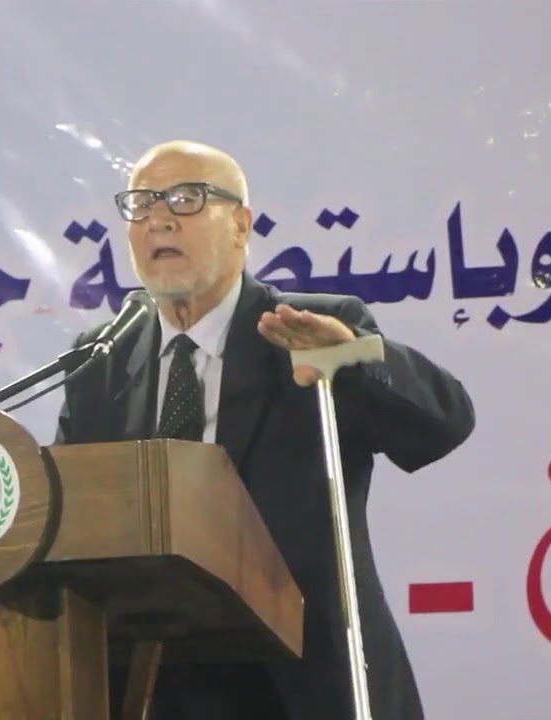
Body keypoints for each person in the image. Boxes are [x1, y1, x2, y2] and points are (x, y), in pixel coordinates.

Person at [54, 140, 475, 720]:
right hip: (151, 685)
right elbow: (71, 518)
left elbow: (444, 425)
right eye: (142, 203)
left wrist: (355, 358)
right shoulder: (102, 358)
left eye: (186, 198)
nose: (159, 219)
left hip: (304, 681)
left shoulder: (312, 329)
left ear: (241, 226)